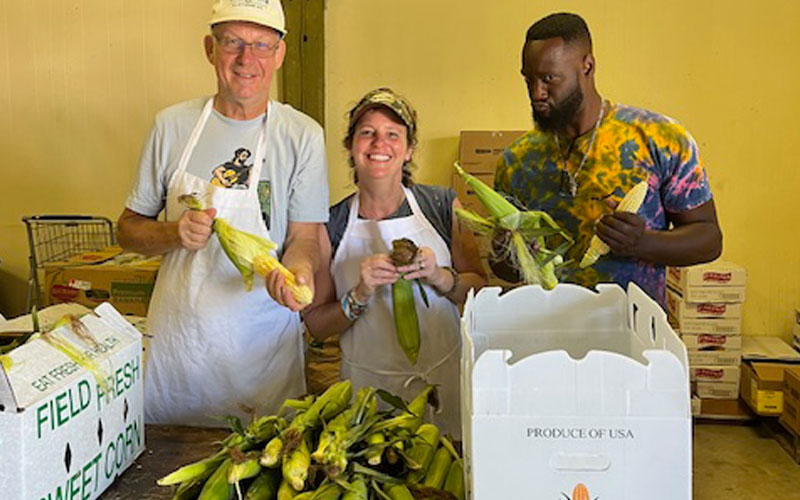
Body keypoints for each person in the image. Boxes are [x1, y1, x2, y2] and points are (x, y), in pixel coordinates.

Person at [117, 0, 328, 426]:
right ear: (210, 49)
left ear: (280, 54)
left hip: (262, 358)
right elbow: (127, 230)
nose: (246, 59)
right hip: (179, 355)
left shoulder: (302, 135)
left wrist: (298, 274)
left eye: (261, 44)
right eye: (232, 42)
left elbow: (305, 237)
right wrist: (174, 233)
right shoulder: (171, 126)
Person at [492, 12, 722, 305]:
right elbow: (506, 270)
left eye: (549, 78)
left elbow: (709, 240)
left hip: (633, 333)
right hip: (547, 333)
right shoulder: (518, 161)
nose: (536, 92)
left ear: (587, 66)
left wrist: (643, 243)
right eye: (529, 79)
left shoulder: (659, 138)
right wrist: (505, 250)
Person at [303, 88, 487, 438]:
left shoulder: (442, 205)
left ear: (408, 149)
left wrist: (440, 276)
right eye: (367, 132)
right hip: (370, 393)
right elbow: (317, 324)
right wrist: (360, 293)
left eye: (392, 134)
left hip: (443, 386)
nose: (379, 144)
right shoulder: (331, 223)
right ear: (350, 146)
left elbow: (479, 287)